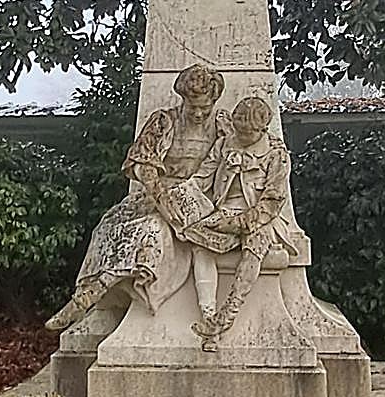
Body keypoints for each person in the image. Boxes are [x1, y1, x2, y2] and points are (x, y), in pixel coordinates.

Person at [44, 64, 229, 331]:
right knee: (109, 225)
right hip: (157, 194)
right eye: (193, 106)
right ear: (183, 99)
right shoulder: (164, 121)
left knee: (151, 230)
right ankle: (88, 290)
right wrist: (160, 195)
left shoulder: (222, 125)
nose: (199, 113)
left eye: (205, 107)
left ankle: (91, 294)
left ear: (213, 101)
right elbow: (142, 163)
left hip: (194, 202)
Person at [176, 96, 297, 351]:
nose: (241, 137)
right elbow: (202, 177)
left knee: (255, 247)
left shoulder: (277, 155)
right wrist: (183, 195)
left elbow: (272, 202)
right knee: (199, 243)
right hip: (223, 212)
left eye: (247, 133)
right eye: (238, 130)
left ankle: (228, 313)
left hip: (261, 219)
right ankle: (208, 316)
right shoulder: (224, 144)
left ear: (262, 129)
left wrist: (239, 223)